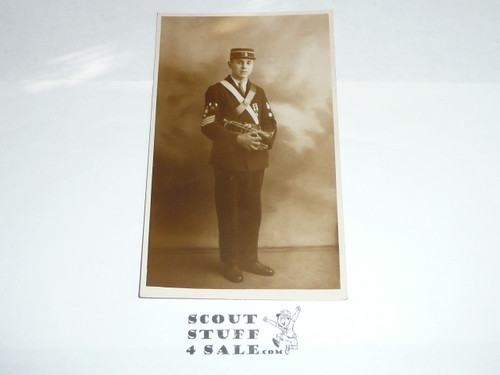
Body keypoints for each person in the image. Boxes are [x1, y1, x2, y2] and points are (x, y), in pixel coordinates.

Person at [201, 48, 277, 283]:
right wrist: (237, 139)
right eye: (239, 62)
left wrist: (262, 139)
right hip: (229, 163)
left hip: (255, 161)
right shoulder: (216, 90)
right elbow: (208, 125)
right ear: (230, 64)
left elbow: (270, 122)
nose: (244, 66)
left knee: (252, 213)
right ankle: (230, 262)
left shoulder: (259, 92)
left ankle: (249, 259)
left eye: (248, 62)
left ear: (252, 65)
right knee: (229, 212)